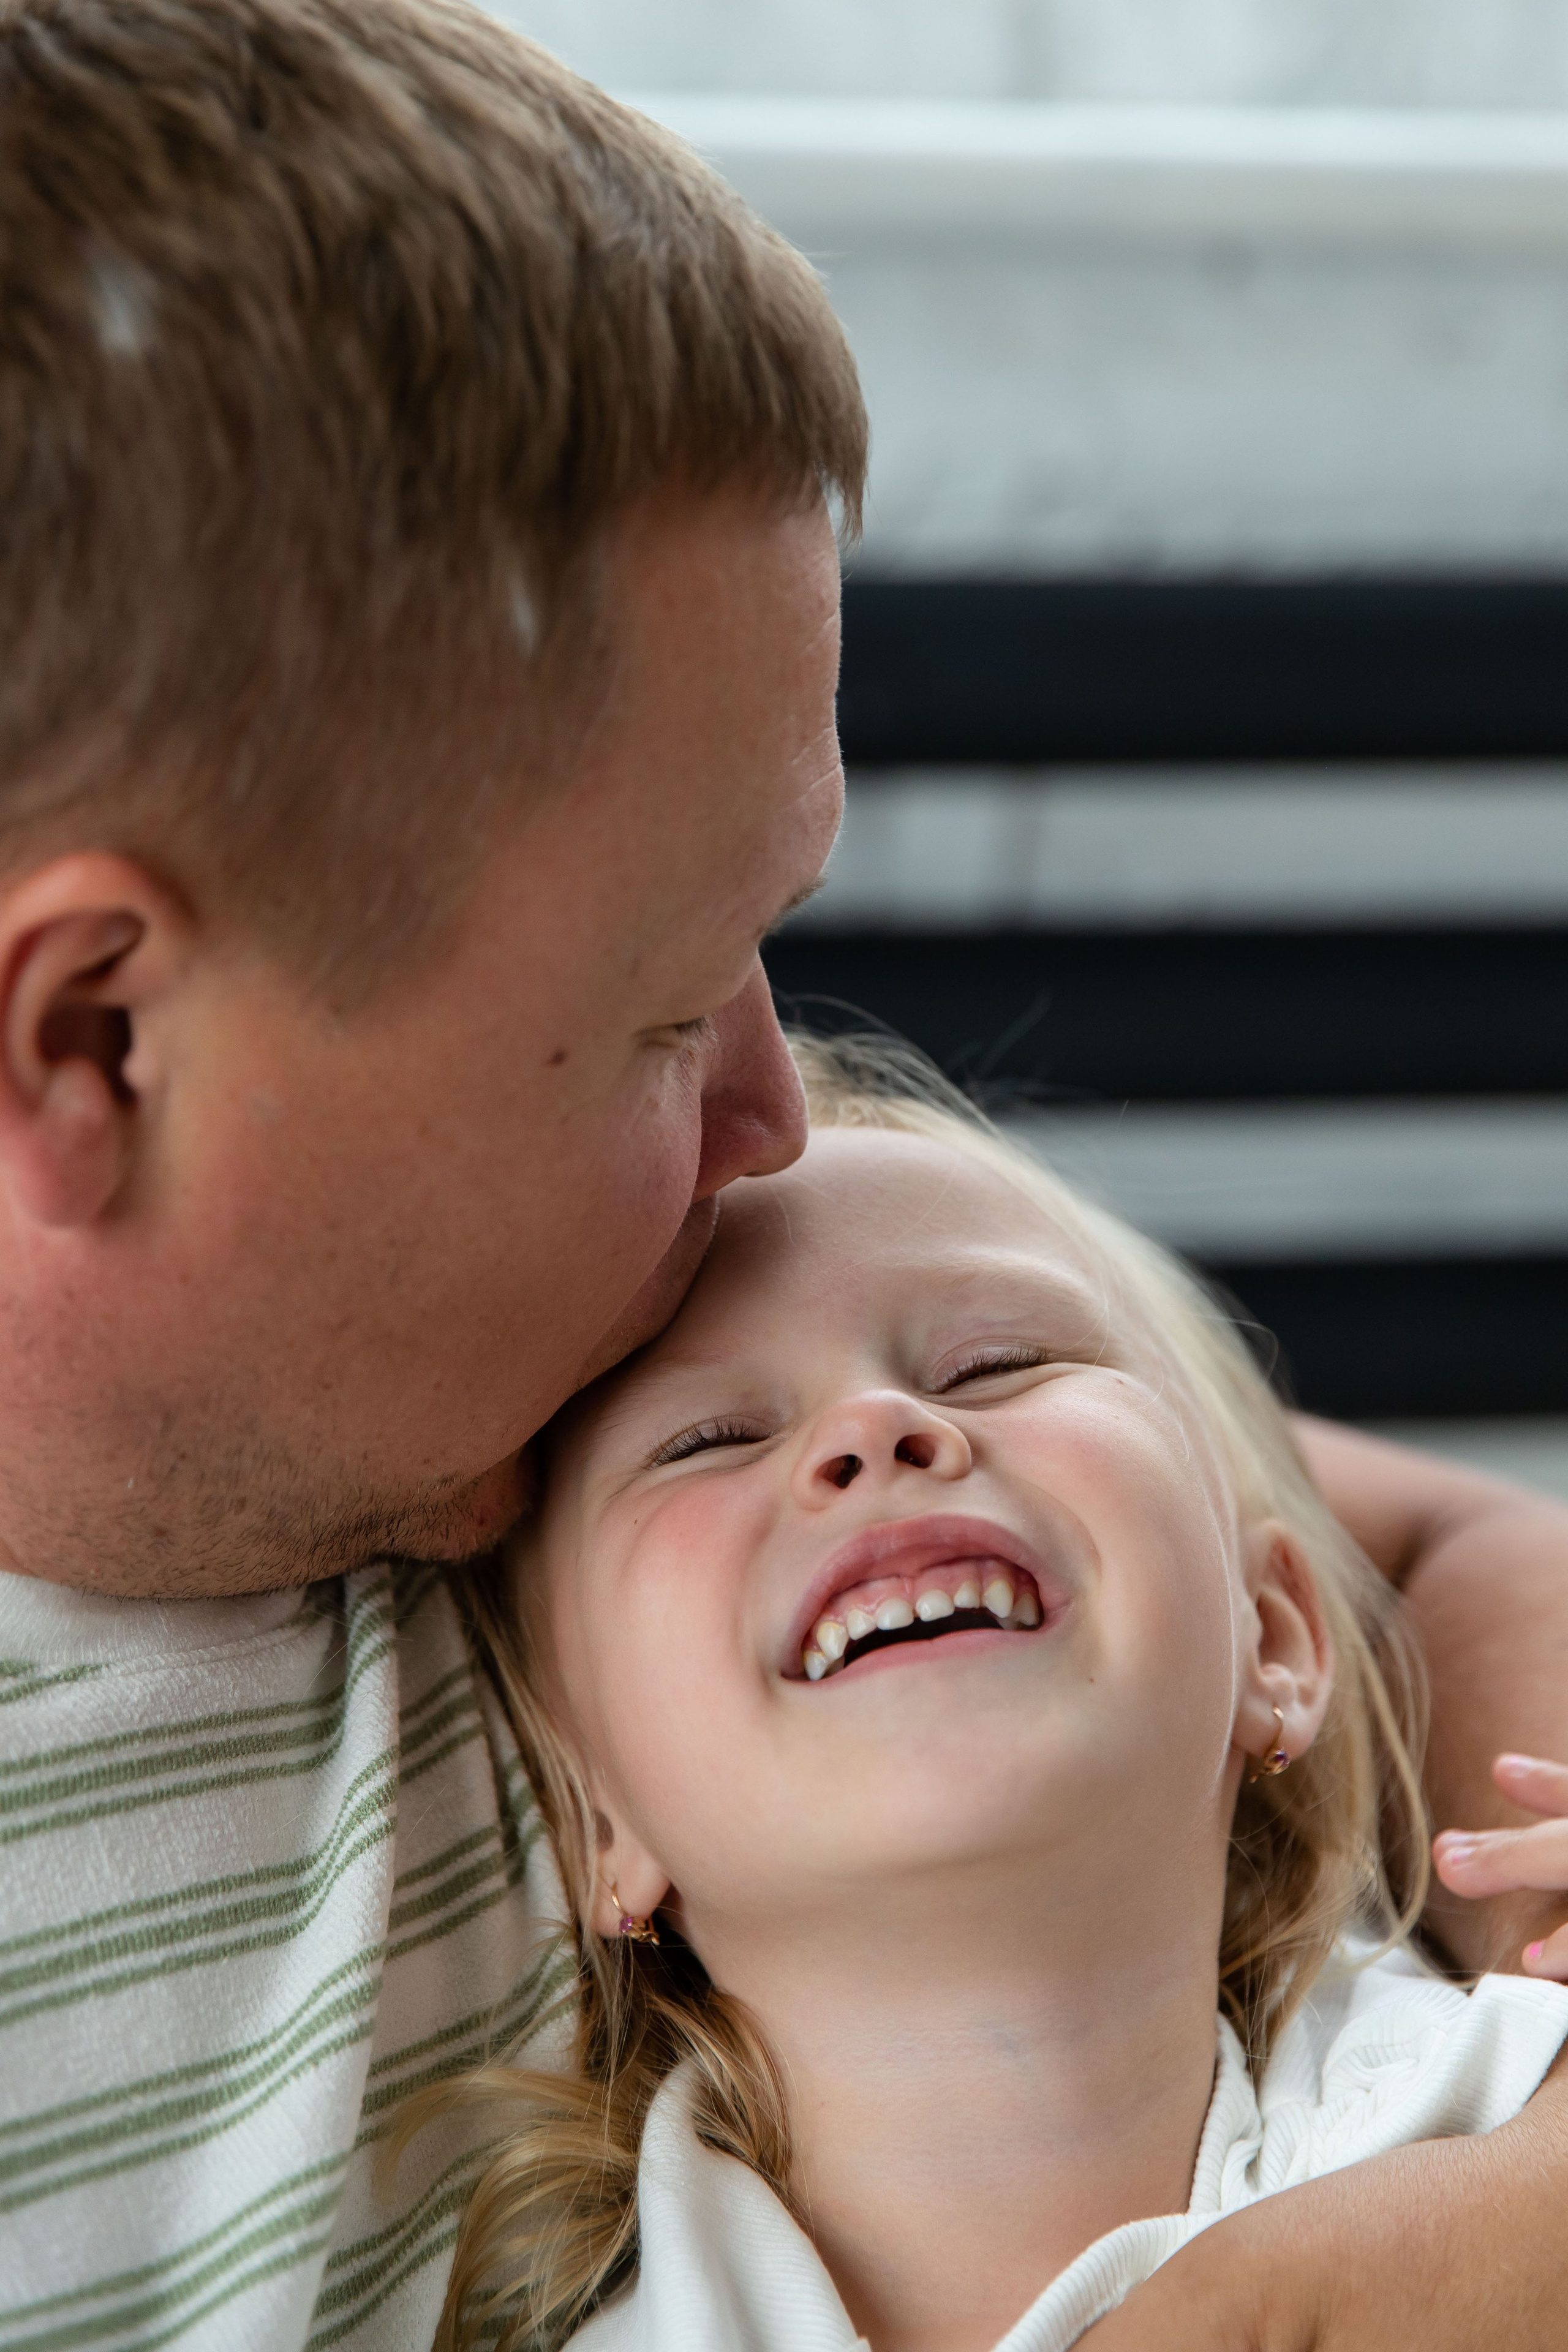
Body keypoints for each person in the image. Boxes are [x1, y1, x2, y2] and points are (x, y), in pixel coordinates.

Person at [0, 2, 1567, 2347]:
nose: (770, 1118)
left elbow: (1404, 1557)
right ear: (92, 1044)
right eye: (659, 1014)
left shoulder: (508, 1399)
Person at [414, 1035, 1568, 2352]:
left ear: (1275, 1640)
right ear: (590, 1815)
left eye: (994, 1362)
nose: (873, 1427)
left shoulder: (1508, 2113)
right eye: (710, 1440)